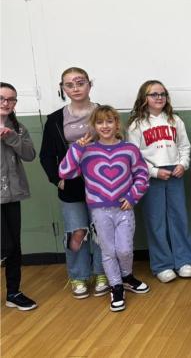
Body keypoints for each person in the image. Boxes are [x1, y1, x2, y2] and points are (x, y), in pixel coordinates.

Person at [59, 105, 151, 311]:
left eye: (109, 121)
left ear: (117, 124)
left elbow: (142, 175)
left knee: (125, 249)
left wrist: (132, 196)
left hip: (124, 208)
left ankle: (127, 276)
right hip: (99, 211)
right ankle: (116, 285)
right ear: (94, 126)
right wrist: (77, 148)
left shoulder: (129, 149)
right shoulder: (86, 151)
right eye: (100, 122)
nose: (105, 126)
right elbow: (65, 171)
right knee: (108, 250)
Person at [39, 67, 106, 298]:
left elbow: (118, 143)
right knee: (76, 232)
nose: (76, 88)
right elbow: (46, 155)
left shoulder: (103, 113)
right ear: (63, 88)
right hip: (71, 184)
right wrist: (57, 180)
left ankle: (102, 272)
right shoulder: (56, 119)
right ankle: (78, 276)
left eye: (80, 82)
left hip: (102, 183)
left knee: (100, 230)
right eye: (70, 84)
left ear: (90, 84)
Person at [127, 80, 191, 283]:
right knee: (156, 221)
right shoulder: (136, 125)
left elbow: (184, 146)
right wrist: (154, 172)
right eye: (153, 94)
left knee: (179, 218)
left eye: (162, 94)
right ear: (144, 98)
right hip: (150, 177)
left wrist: (183, 164)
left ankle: (183, 260)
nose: (159, 97)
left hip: (175, 172)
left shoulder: (175, 120)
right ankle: (162, 265)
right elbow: (134, 156)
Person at [1, 82, 38, 310]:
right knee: (4, 247)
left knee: (14, 246)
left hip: (12, 196)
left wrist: (12, 137)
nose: (6, 103)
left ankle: (13, 292)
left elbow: (30, 155)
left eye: (11, 99)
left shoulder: (19, 128)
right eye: (2, 98)